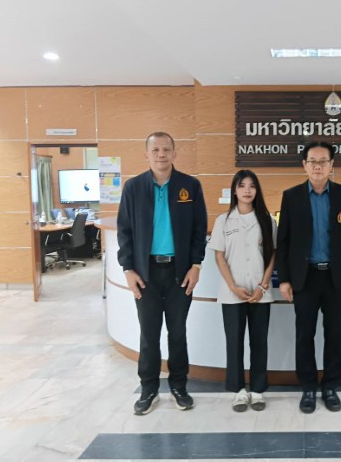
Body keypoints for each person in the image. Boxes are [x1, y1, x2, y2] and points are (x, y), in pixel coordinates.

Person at [117, 131, 207, 415]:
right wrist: (128, 268)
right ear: (146, 154)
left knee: (177, 333)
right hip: (146, 274)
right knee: (149, 334)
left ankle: (179, 386)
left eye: (166, 149)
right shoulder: (133, 188)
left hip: (180, 272)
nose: (161, 154)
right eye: (155, 150)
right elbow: (124, 231)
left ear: (174, 153)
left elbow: (199, 230)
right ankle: (148, 389)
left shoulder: (190, 186)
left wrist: (196, 265)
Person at [277, 141, 341, 414]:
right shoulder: (291, 197)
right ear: (304, 165)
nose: (318, 166)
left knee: (334, 334)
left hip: (335, 278)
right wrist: (284, 279)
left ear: (331, 165)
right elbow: (283, 241)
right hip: (305, 278)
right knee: (305, 335)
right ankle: (309, 388)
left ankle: (330, 386)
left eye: (323, 161)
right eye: (312, 161)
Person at [209, 170, 276, 412]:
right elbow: (219, 256)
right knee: (234, 342)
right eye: (242, 186)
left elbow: (272, 254)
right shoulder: (223, 221)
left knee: (259, 342)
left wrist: (263, 285)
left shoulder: (267, 220)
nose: (247, 190)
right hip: (232, 293)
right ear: (234, 191)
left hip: (260, 293)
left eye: (251, 186)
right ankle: (238, 390)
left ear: (257, 190)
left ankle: (257, 390)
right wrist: (232, 287)